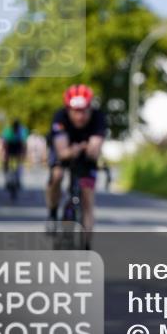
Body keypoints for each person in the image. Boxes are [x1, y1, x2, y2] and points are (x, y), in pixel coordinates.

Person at [46, 84, 106, 248]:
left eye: (84, 111)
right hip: (64, 152)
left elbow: (95, 149)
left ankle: (86, 244)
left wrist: (90, 149)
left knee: (88, 198)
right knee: (57, 175)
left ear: (90, 108)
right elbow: (62, 153)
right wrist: (77, 148)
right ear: (68, 109)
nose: (80, 116)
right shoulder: (60, 117)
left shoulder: (98, 117)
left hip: (86, 158)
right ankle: (52, 212)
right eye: (75, 111)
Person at [1, 119, 29, 189]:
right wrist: (5, 154)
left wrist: (23, 154)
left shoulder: (22, 131)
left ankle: (18, 179)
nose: (15, 129)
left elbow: (23, 144)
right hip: (10, 146)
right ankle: (7, 177)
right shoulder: (8, 131)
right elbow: (5, 144)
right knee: (6, 161)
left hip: (18, 146)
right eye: (15, 128)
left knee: (19, 162)